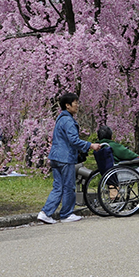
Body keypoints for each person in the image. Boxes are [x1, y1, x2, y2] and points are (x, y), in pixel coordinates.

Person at [37, 92, 99, 224]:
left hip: (55, 157)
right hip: (65, 158)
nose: (77, 105)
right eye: (75, 103)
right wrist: (90, 145)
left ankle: (45, 213)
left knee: (58, 187)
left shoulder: (60, 119)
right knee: (69, 186)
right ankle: (66, 214)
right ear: (67, 105)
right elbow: (74, 140)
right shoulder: (69, 121)